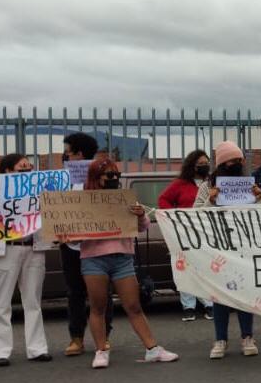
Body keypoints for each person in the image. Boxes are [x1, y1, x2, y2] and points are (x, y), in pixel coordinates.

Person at [80, 157, 178, 368]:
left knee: (133, 306)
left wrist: (141, 215)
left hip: (122, 258)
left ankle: (152, 349)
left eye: (116, 175)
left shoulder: (124, 198)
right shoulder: (83, 201)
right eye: (109, 175)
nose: (114, 178)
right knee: (98, 306)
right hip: (94, 259)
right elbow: (74, 233)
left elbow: (142, 227)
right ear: (97, 178)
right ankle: (101, 350)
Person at [0, 154, 52, 366]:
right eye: (20, 165)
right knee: (0, 302)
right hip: (5, 251)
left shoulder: (39, 190)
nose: (26, 166)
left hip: (33, 248)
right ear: (6, 171)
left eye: (28, 165)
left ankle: (37, 349)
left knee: (33, 301)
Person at [195, 141, 261, 357]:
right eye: (232, 160)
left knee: (245, 294)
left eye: (239, 160)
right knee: (219, 296)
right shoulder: (207, 186)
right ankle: (220, 340)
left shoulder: (248, 184)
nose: (237, 163)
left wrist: (259, 197)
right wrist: (211, 200)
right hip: (217, 249)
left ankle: (247, 337)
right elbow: (195, 214)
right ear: (223, 163)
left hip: (243, 246)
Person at [60, 131, 113, 356]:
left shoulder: (102, 176)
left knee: (101, 293)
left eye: (67, 152)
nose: (65, 157)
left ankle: (104, 336)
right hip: (70, 245)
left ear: (79, 154)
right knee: (75, 292)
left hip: (96, 245)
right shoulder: (61, 179)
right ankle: (77, 338)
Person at [159, 149, 214, 322]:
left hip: (207, 233)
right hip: (184, 232)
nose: (204, 166)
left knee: (206, 268)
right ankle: (188, 306)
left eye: (206, 163)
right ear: (192, 165)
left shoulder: (212, 182)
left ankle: (209, 304)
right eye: (201, 163)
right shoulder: (180, 184)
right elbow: (163, 200)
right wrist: (175, 217)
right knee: (185, 268)